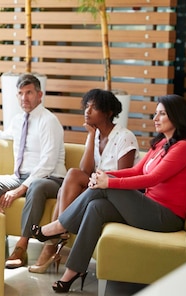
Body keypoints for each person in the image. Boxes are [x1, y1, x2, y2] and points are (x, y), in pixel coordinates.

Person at [31, 94, 186, 293]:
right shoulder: (160, 145)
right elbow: (137, 171)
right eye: (155, 113)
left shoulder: (183, 148)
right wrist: (105, 174)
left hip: (165, 217)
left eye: (162, 114)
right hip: (148, 208)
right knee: (96, 207)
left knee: (105, 188)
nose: (155, 118)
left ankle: (60, 225)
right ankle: (73, 271)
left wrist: (108, 181)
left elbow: (152, 179)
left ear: (177, 116)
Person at [29, 89, 139, 274]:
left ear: (109, 112)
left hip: (116, 194)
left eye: (94, 107)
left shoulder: (124, 136)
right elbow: (85, 171)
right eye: (86, 106)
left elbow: (123, 177)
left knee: (65, 189)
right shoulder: (95, 135)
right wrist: (89, 136)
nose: (87, 111)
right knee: (71, 177)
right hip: (97, 188)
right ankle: (60, 230)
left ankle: (54, 240)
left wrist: (97, 180)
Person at [0, 73, 66, 269]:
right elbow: (3, 135)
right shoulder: (19, 119)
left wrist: (21, 189)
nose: (24, 98)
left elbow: (48, 162)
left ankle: (21, 247)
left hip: (52, 178)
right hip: (20, 176)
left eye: (29, 93)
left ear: (40, 95)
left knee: (36, 185)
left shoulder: (49, 121)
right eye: (20, 93)